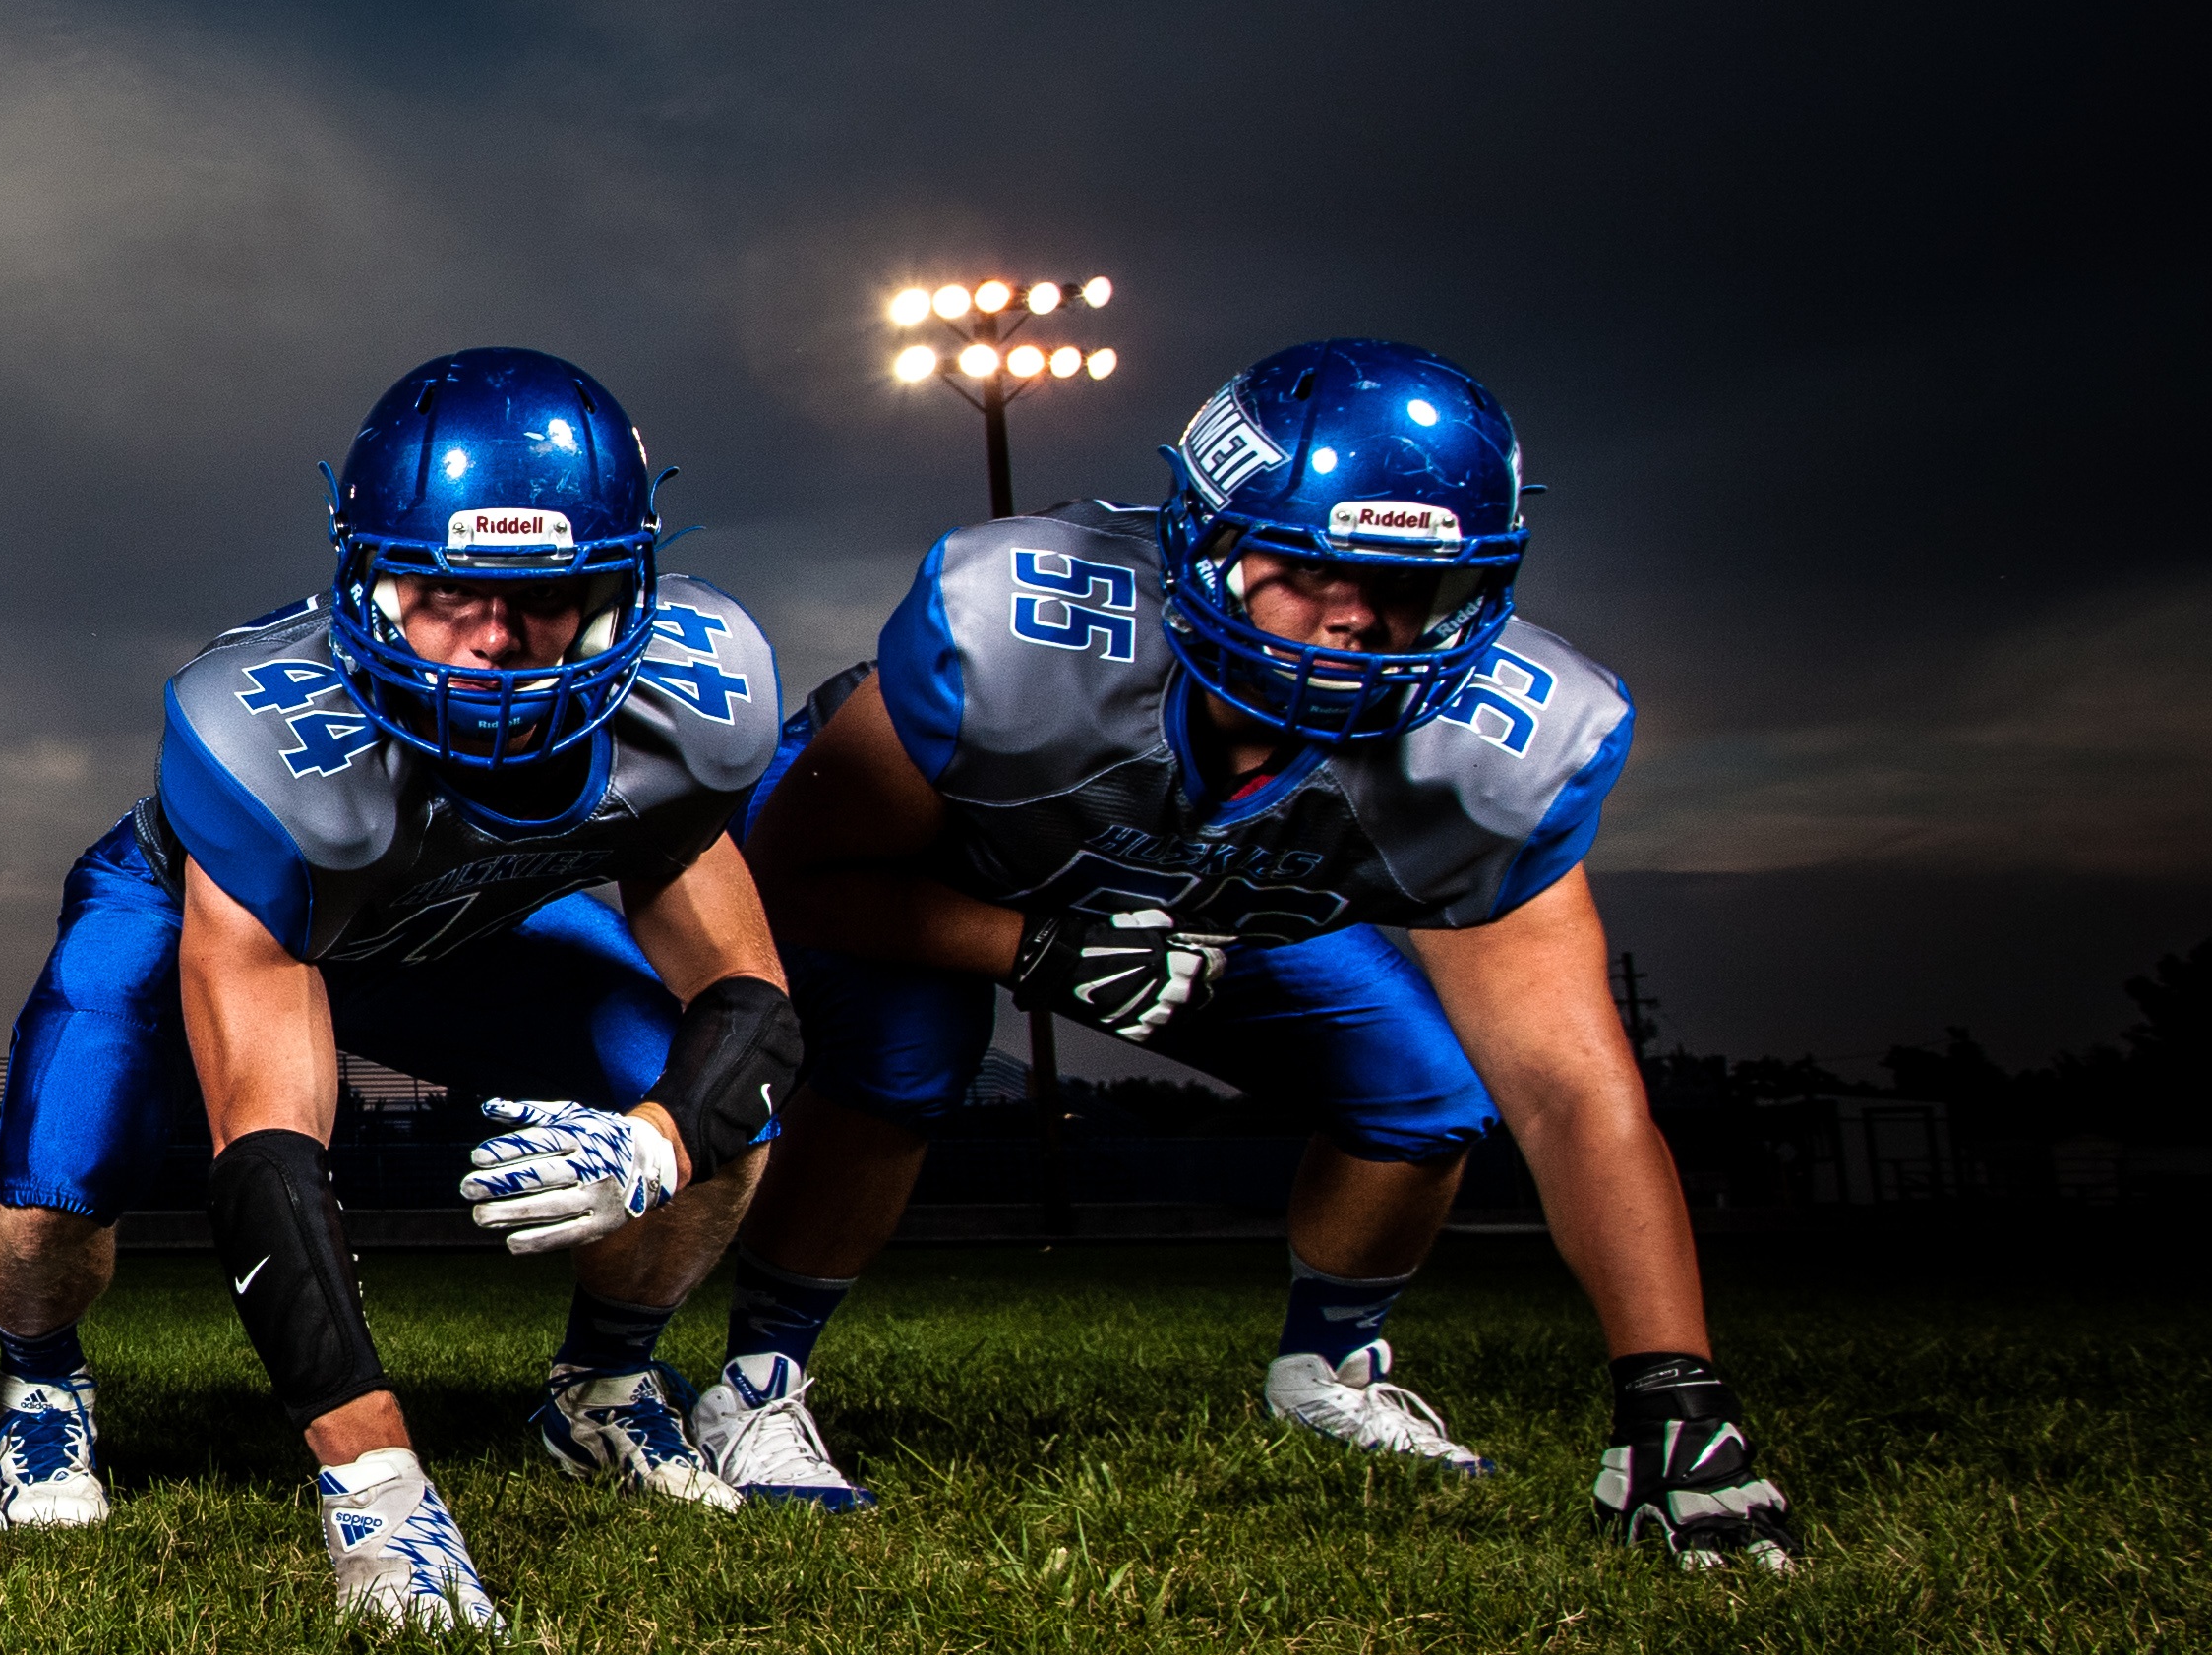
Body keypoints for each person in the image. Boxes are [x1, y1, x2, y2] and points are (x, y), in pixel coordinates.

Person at [715, 335, 1801, 1566]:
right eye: (1308, 565)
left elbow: (1568, 1085)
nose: (1358, 619)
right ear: (1206, 544)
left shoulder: (1496, 756)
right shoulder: (1017, 639)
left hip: (1207, 906)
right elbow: (792, 880)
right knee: (912, 1053)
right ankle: (757, 1381)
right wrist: (1032, 949)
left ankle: (1327, 1367)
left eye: (1410, 585)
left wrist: (1674, 1394)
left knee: (1424, 1092)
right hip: (946, 884)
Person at [0, 348, 807, 1628]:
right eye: (440, 595)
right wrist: (378, 1481)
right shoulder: (263, 742)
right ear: (362, 583)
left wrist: (657, 1141)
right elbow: (269, 1157)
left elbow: (751, 1004)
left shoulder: (694, 704)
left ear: (630, 593)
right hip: (227, 908)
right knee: (53, 1182)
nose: (491, 648)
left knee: (724, 1112)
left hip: (469, 929)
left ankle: (603, 1387)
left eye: (547, 600)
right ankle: (40, 1382)